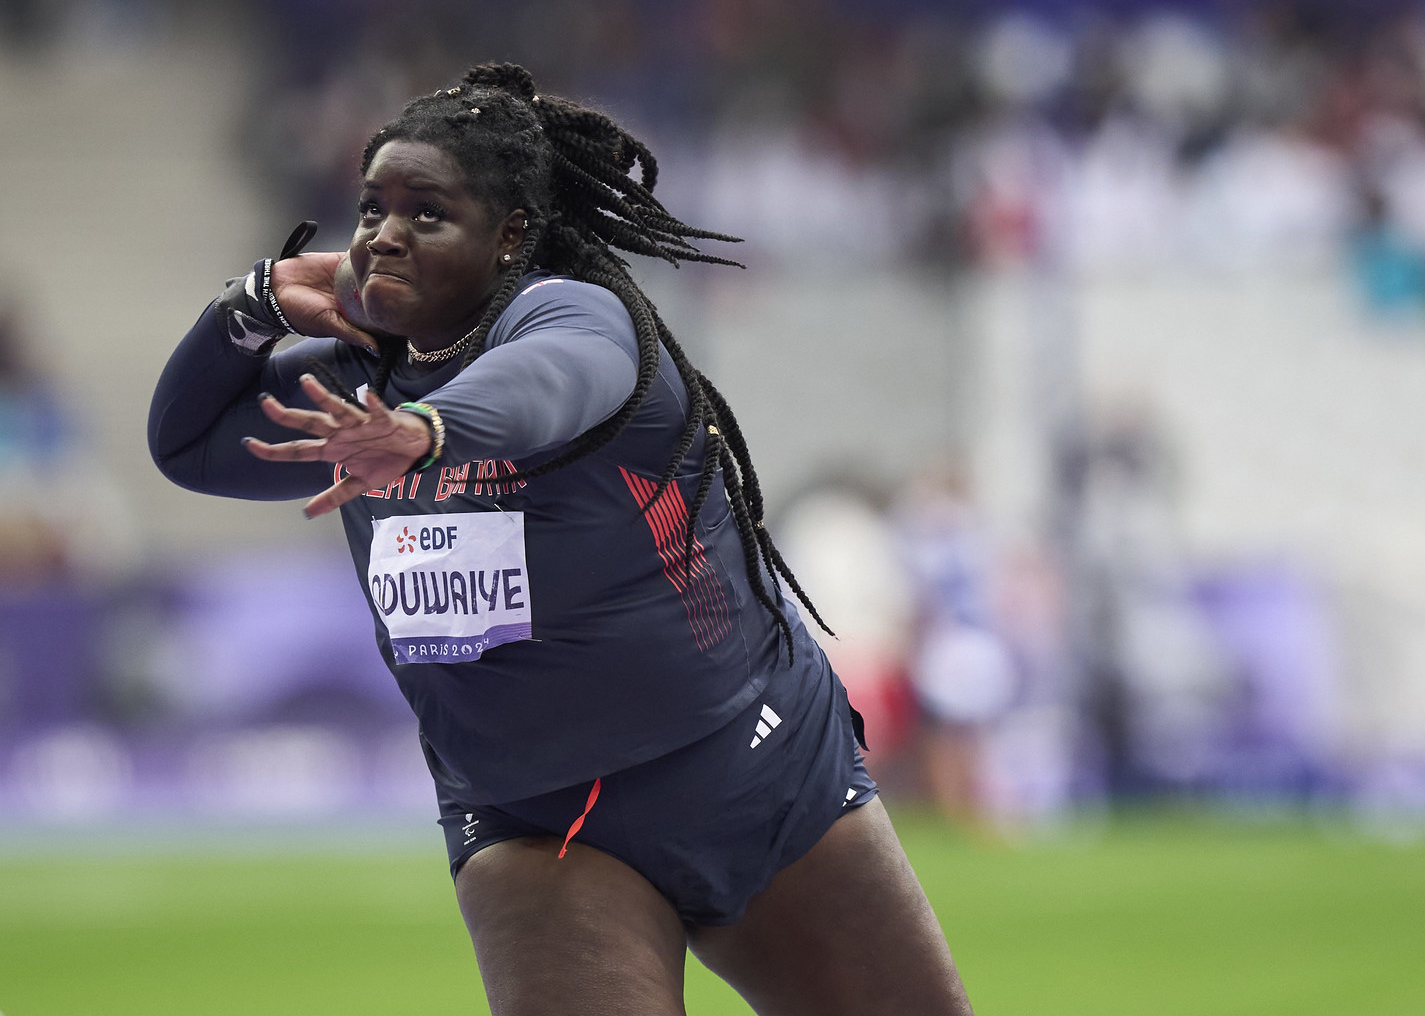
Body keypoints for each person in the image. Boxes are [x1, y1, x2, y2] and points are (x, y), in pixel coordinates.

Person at [148, 63, 971, 1016]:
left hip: (747, 766)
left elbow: (555, 376)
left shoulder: (574, 314)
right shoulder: (356, 386)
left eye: (427, 212)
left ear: (510, 236)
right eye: (373, 207)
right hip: (531, 817)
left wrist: (429, 432)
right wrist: (248, 306)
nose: (384, 234)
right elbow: (188, 446)